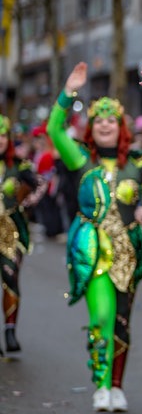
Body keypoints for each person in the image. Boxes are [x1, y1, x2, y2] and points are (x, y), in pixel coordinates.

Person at [48, 62, 142, 412]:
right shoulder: (80, 160)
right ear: (91, 129)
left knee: (122, 321)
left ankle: (117, 386)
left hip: (129, 251)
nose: (106, 124)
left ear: (120, 127)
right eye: (99, 120)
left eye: (111, 119)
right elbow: (54, 128)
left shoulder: (136, 163)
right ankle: (100, 384)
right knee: (100, 318)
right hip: (92, 251)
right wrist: (69, 91)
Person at [0, 115, 46, 356]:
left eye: (2, 135)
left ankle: (9, 331)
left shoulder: (19, 166)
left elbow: (41, 183)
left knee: (11, 277)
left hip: (11, 232)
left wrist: (28, 202)